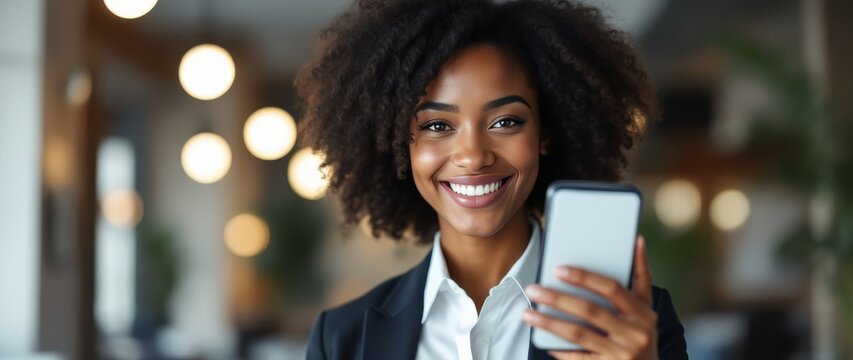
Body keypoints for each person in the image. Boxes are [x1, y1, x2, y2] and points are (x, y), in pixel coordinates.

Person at [296, 0, 688, 358]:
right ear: (399, 144)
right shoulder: (342, 338)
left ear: (545, 134)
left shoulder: (634, 323)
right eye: (437, 125)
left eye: (505, 122)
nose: (473, 156)